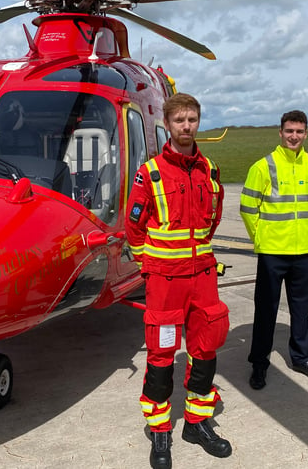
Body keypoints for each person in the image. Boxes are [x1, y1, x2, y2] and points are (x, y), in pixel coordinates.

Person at [126, 93, 231, 469]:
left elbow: (212, 220)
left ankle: (197, 424)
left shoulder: (211, 170)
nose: (186, 127)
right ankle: (160, 431)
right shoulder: (150, 172)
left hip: (202, 276)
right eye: (179, 121)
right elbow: (134, 227)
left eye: (192, 120)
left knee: (205, 348)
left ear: (198, 122)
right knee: (161, 353)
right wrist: (149, 267)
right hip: (165, 281)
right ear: (168, 125)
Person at [240, 110, 308, 389]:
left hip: (304, 251)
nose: (294, 136)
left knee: (301, 310)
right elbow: (247, 208)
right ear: (280, 132)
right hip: (272, 253)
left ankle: (301, 358)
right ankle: (259, 363)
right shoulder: (263, 166)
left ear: (306, 134)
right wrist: (261, 240)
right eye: (289, 131)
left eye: (299, 131)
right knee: (265, 309)